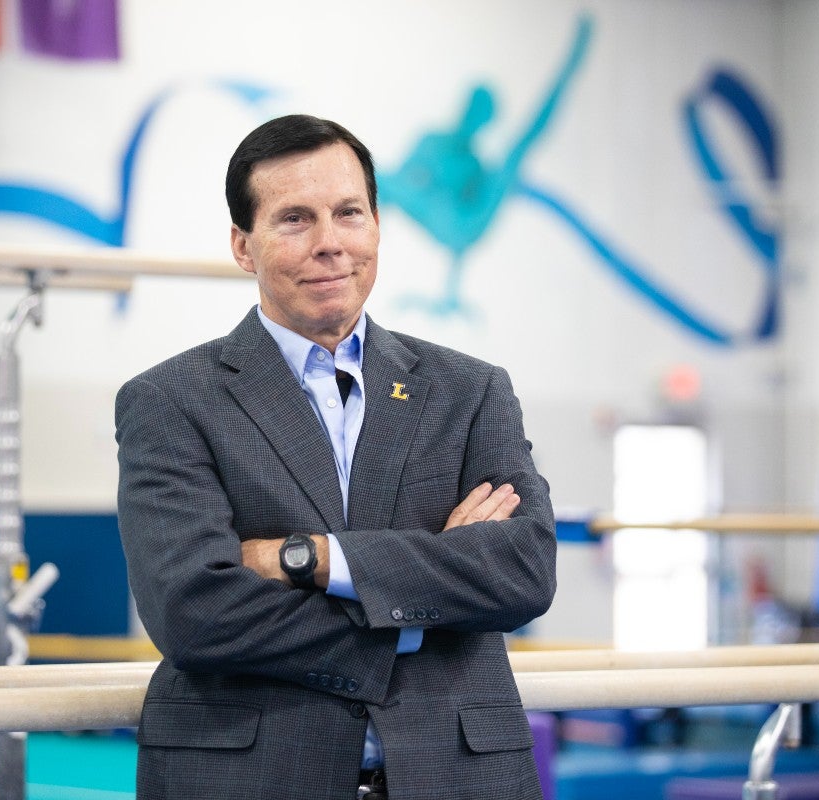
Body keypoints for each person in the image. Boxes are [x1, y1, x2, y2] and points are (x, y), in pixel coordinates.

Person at [116, 114, 557, 800]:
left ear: (377, 227)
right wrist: (421, 606)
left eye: (349, 213)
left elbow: (523, 571)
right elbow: (193, 612)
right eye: (294, 220)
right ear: (243, 246)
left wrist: (310, 558)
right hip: (252, 778)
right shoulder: (172, 402)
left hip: (455, 775)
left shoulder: (469, 391)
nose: (330, 245)